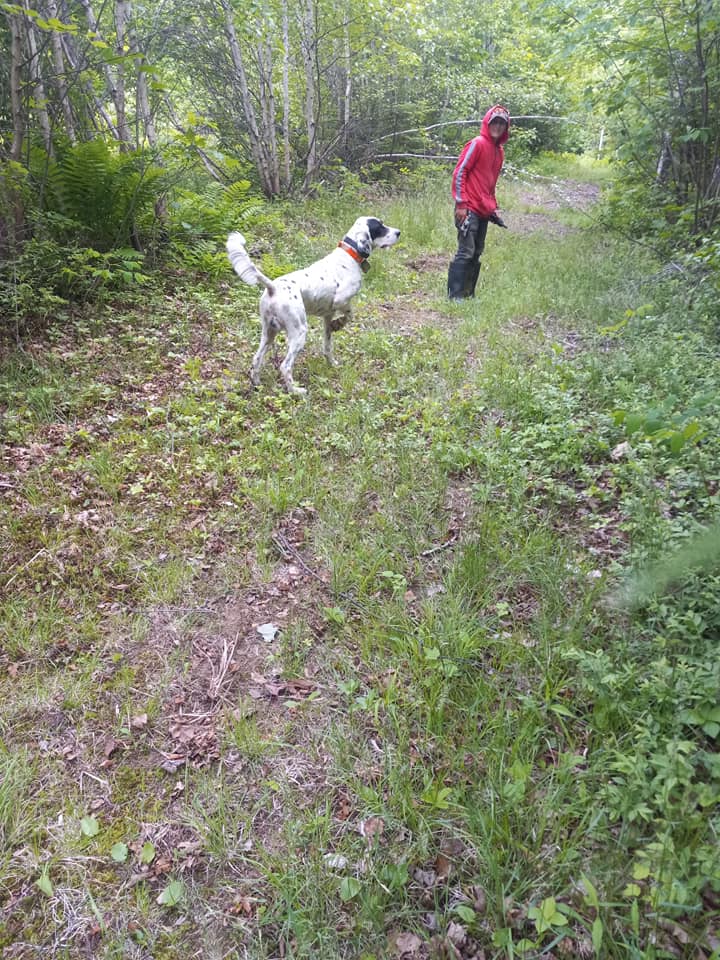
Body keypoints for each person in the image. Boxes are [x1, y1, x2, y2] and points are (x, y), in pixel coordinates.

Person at [447, 105, 510, 300]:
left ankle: (468, 294)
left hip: (483, 211)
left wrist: (492, 209)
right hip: (468, 208)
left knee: (477, 252)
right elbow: (460, 173)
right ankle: (454, 296)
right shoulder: (477, 143)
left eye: (502, 124)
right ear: (487, 123)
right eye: (495, 122)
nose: (497, 127)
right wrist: (461, 204)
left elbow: (489, 184)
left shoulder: (499, 151)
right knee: (466, 251)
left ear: (506, 128)